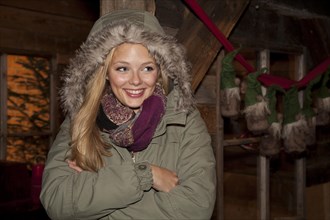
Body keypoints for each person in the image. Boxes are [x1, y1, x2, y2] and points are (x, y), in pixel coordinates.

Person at [40, 9, 216, 220]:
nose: (135, 80)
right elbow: (57, 201)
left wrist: (97, 193)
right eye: (122, 69)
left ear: (160, 70)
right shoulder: (80, 121)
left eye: (147, 68)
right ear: (104, 71)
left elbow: (196, 209)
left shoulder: (183, 120)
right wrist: (145, 175)